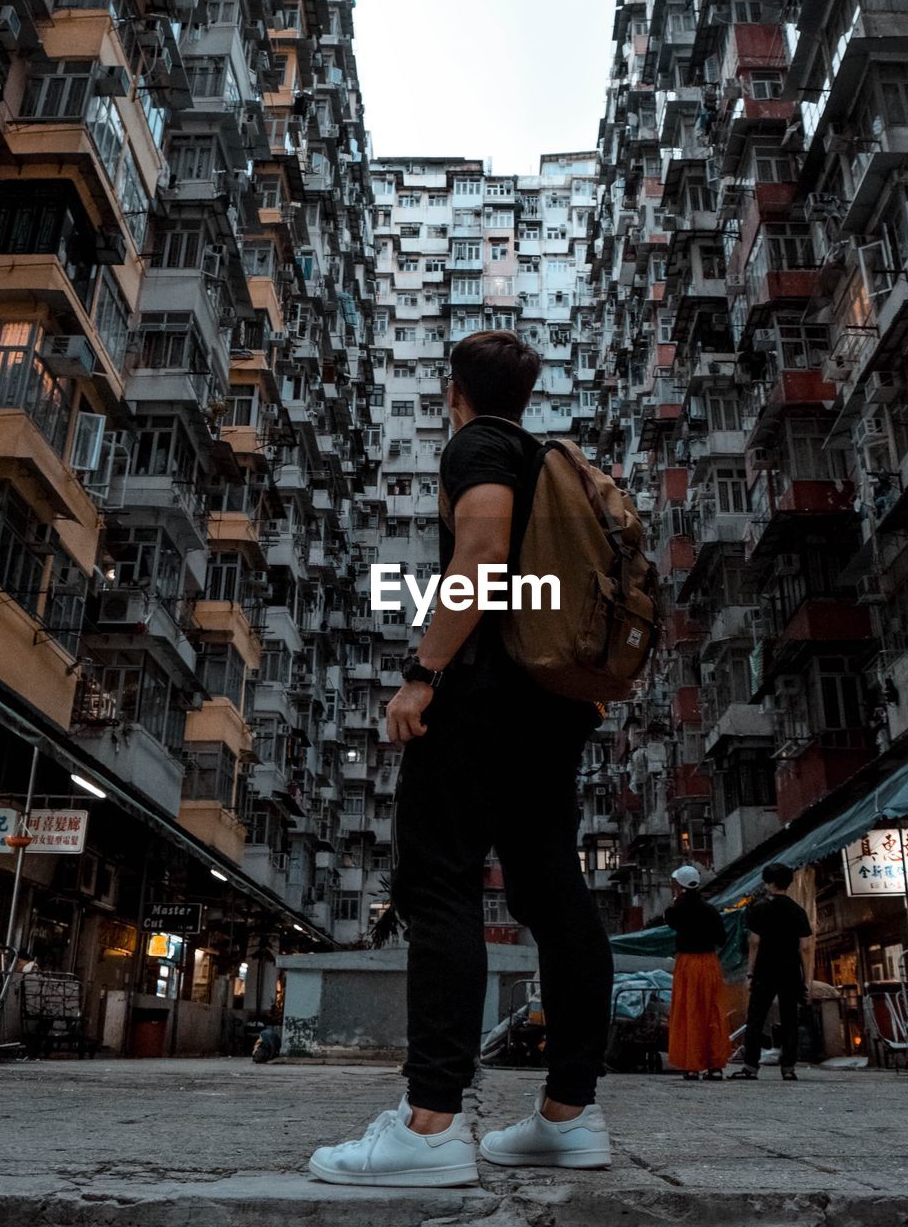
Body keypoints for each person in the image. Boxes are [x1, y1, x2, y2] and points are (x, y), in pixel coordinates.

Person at [308, 331, 614, 1187]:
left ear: (454, 393)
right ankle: (570, 1116)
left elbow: (480, 557)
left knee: (436, 884)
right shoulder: (549, 457)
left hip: (481, 701)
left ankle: (430, 1125)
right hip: (554, 705)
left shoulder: (479, 444)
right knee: (553, 893)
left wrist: (421, 674)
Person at [729, 862, 814, 1082]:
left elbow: (754, 941)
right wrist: (807, 980)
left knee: (756, 1018)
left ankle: (750, 1067)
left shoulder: (758, 908)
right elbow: (805, 947)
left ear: (770, 883)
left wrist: (750, 973)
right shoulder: (798, 910)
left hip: (765, 970)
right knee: (789, 1019)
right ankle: (788, 1068)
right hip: (790, 971)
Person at [663, 865, 728, 1081]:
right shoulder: (710, 910)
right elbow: (721, 938)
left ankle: (692, 1065)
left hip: (687, 963)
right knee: (712, 1011)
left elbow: (672, 920)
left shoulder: (675, 910)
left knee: (689, 1011)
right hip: (709, 962)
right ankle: (715, 1065)